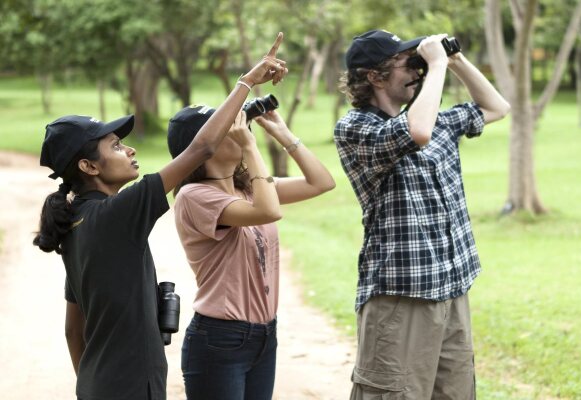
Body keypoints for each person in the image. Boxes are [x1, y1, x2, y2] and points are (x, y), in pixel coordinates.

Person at [32, 33, 288, 400]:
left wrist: (91, 385)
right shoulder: (117, 213)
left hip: (99, 384)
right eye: (116, 146)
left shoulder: (75, 225)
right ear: (89, 166)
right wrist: (246, 83)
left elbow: (75, 330)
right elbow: (201, 148)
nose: (129, 149)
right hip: (133, 386)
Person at [334, 30, 511, 399]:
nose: (417, 72)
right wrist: (435, 65)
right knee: (394, 393)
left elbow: (497, 107)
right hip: (401, 297)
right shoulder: (355, 129)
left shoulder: (438, 121)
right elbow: (416, 131)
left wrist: (454, 59)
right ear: (374, 76)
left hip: (452, 290)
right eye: (407, 64)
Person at [167, 102, 335, 399]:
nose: (240, 128)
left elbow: (321, 182)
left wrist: (283, 134)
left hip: (264, 335)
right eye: (228, 126)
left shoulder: (247, 189)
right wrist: (250, 147)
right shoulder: (195, 197)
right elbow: (269, 211)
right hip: (221, 339)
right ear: (204, 146)